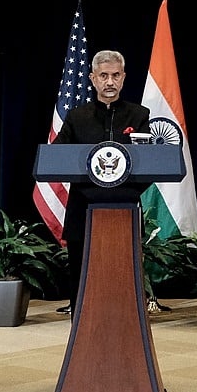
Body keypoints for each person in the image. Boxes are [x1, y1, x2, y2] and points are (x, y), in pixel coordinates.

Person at [51, 49, 150, 314]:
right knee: (81, 282)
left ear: (124, 77)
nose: (110, 82)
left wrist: (122, 191)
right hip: (82, 210)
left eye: (115, 75)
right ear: (93, 78)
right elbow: (57, 156)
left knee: (123, 281)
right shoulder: (76, 117)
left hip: (124, 209)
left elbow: (149, 164)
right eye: (104, 75)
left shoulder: (139, 115)